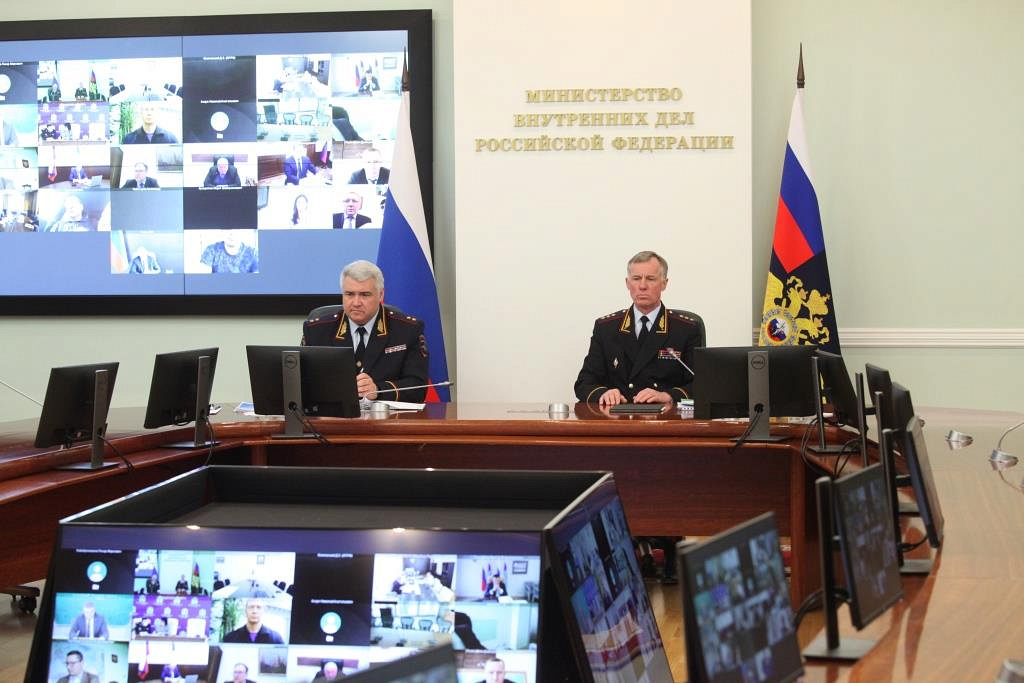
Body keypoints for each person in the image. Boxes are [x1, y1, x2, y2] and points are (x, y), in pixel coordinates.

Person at [574, 250, 702, 405]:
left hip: (664, 416)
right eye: (636, 279)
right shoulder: (606, 328)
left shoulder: (686, 329)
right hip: (619, 415)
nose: (642, 286)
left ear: (664, 283)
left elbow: (701, 384)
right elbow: (584, 383)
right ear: (627, 283)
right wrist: (603, 394)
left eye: (650, 279)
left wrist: (668, 396)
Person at [301, 260, 429, 402]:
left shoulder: (407, 330)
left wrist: (378, 390)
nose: (356, 302)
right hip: (333, 413)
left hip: (386, 414)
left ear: (381, 295)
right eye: (349, 294)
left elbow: (418, 387)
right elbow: (301, 382)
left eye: (365, 295)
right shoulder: (316, 331)